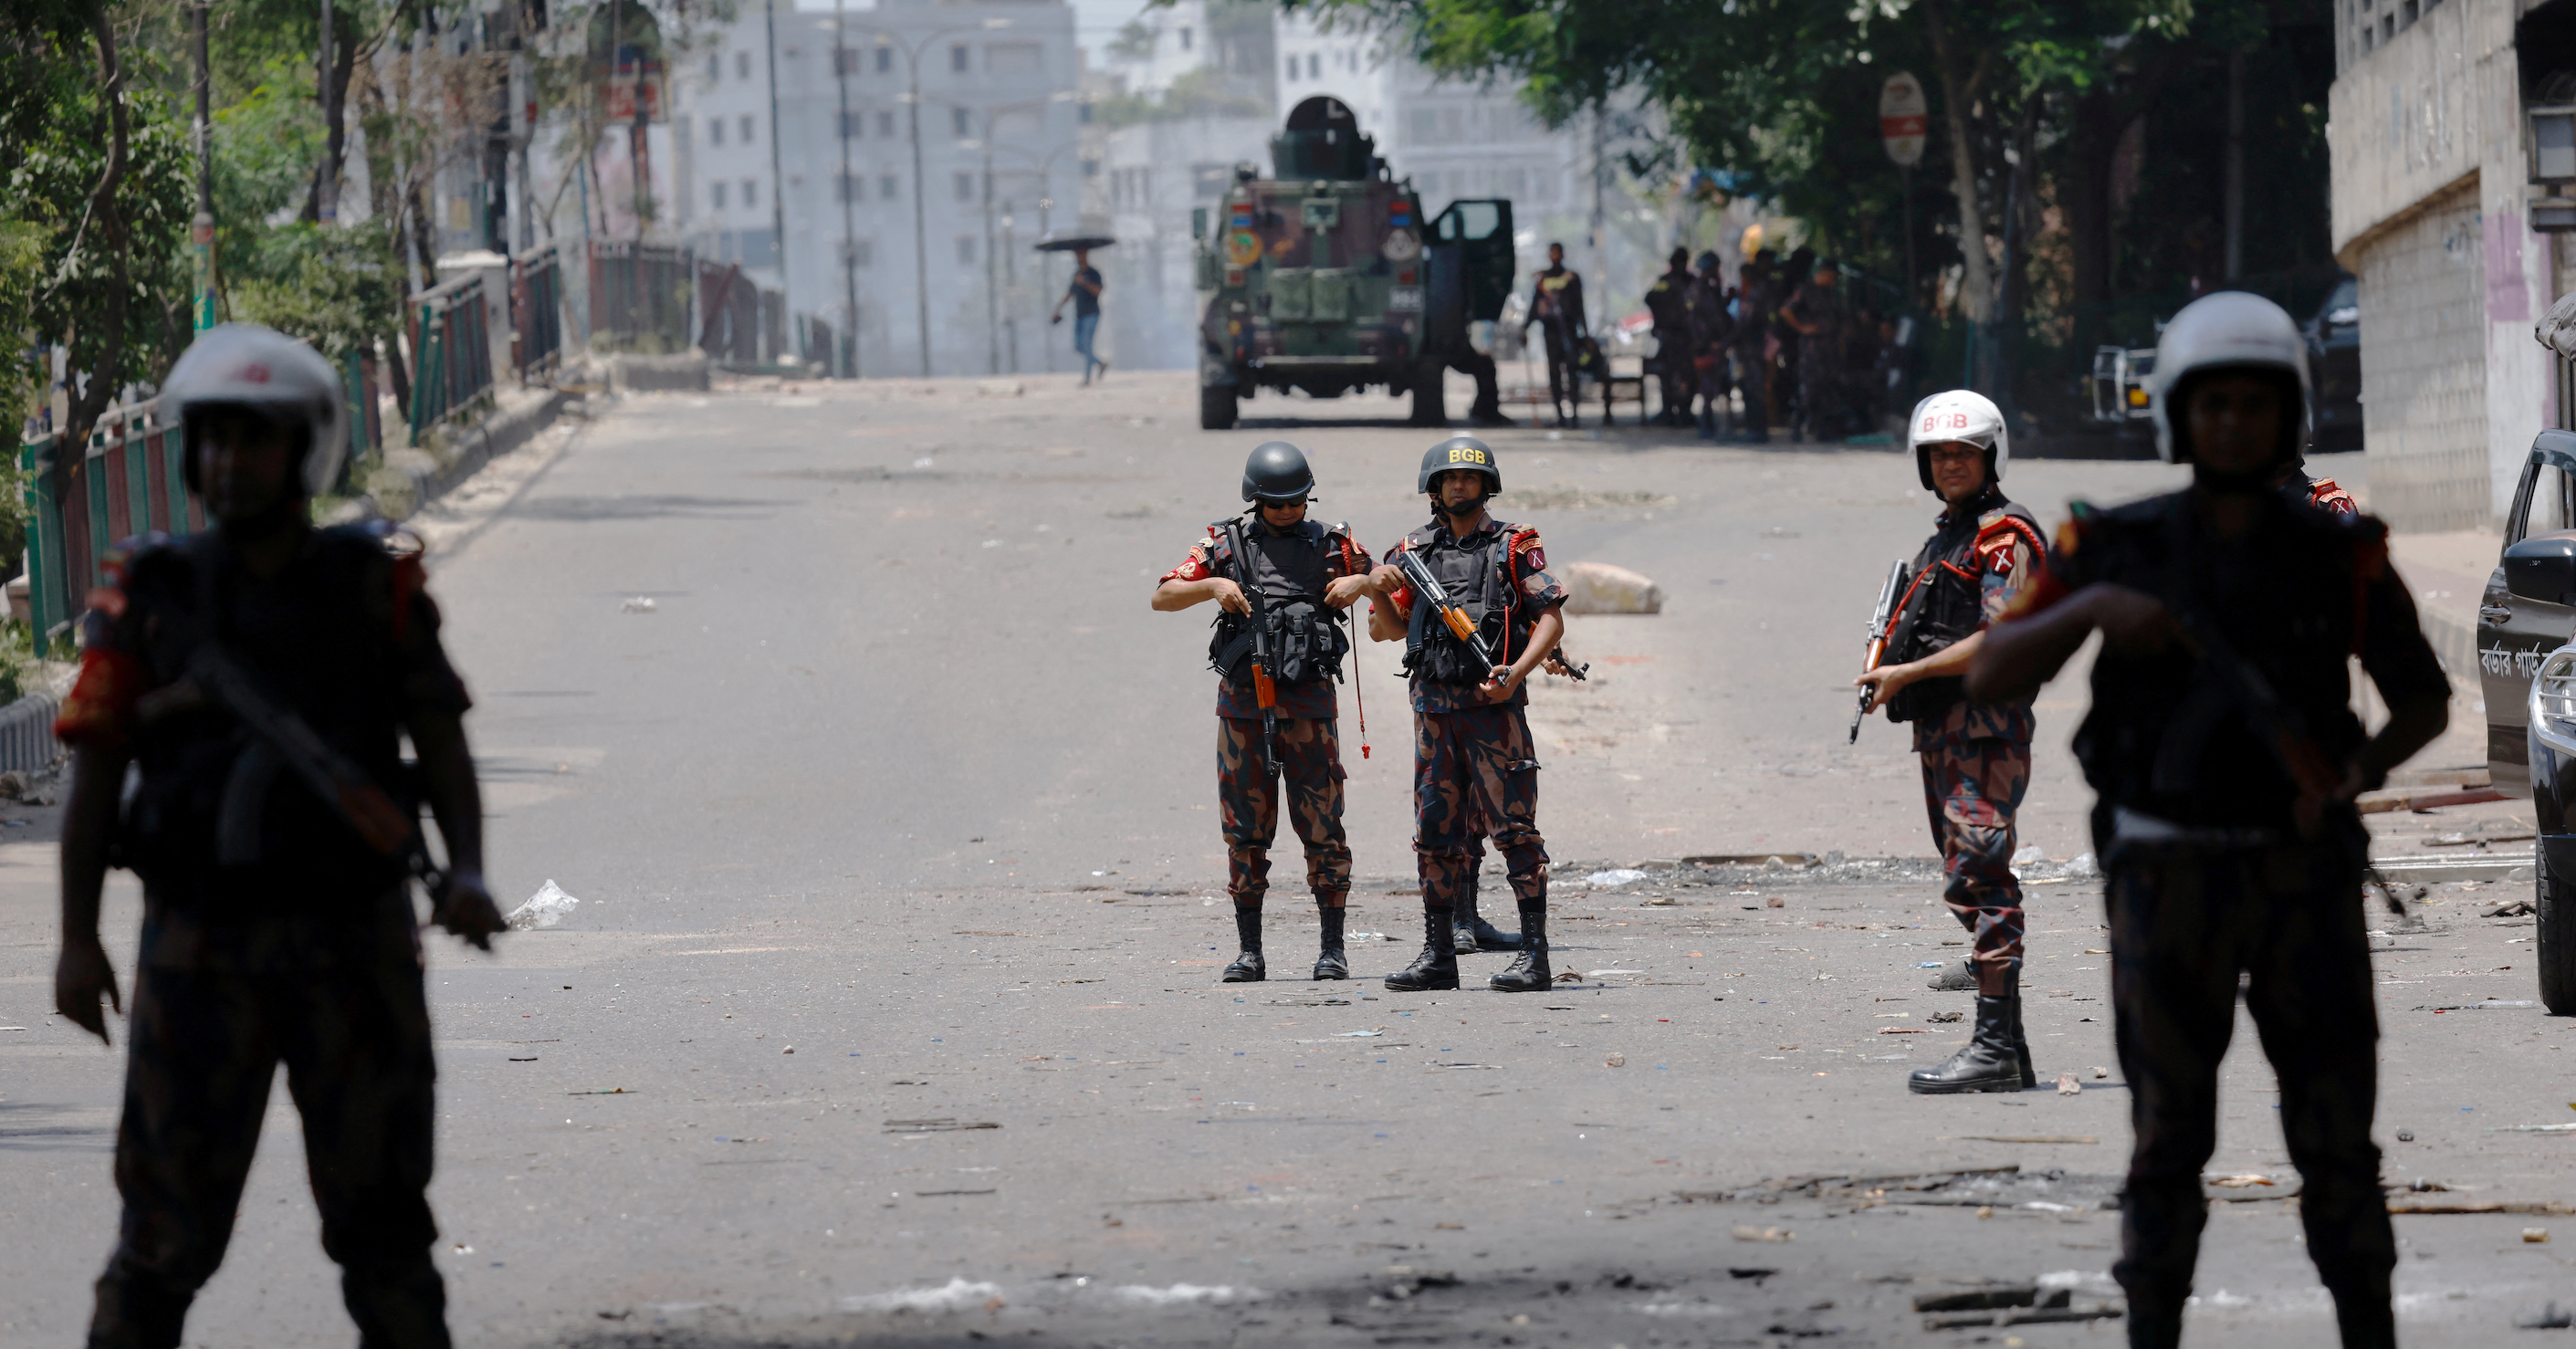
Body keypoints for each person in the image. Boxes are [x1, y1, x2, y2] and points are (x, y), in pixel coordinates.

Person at [1966, 291, 2449, 1349]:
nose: (2232, 423)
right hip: (2164, 877)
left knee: (2336, 1144)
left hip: (2299, 873)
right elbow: (1992, 667)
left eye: (2253, 403)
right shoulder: (2109, 544)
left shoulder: (2338, 549)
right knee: (2165, 1141)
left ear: (2288, 414)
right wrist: (2094, 609)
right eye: (2212, 403)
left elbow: (2423, 698)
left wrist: (2352, 774)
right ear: (2177, 415)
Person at [51, 323, 502, 1349]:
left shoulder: (374, 584)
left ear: (301, 449)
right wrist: (77, 939)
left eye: (253, 439)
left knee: (385, 1234)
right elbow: (96, 771)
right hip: (196, 951)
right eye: (213, 439)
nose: (229, 461)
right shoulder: (150, 593)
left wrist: (469, 870)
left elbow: (439, 739)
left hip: (355, 947)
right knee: (160, 1243)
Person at [1854, 390, 2047, 1094]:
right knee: (1965, 878)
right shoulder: (1948, 539)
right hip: (1943, 733)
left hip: (1985, 732)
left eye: (1964, 452)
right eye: (1938, 455)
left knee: (1983, 876)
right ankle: (2010, 1049)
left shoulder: (2004, 536)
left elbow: (2002, 636)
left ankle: (1993, 1047)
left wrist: (1907, 673)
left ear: (1991, 457)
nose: (1950, 464)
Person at [1153, 442, 1378, 981]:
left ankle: (1333, 949)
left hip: (1310, 709)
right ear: (1256, 500)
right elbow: (1163, 595)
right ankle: (1250, 951)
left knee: (1324, 828)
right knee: (1245, 830)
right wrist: (1213, 586)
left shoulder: (1333, 544)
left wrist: (1364, 581)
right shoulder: (1225, 544)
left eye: (1296, 502)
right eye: (1276, 504)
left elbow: (1395, 579)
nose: (1286, 511)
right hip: (1244, 710)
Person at [1358, 438, 1571, 993]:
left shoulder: (1513, 546)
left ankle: (1535, 956)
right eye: (1449, 478)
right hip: (1433, 712)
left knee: (1515, 830)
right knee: (1435, 832)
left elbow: (1551, 619)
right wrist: (1376, 590)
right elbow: (1386, 631)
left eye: (1469, 478)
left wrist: (1515, 674)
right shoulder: (1411, 551)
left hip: (1493, 712)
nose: (1459, 486)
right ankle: (1438, 955)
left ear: (1486, 485)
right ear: (1434, 488)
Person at [1521, 243, 1587, 429]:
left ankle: (1574, 415)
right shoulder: (1543, 279)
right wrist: (1525, 328)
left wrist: (1585, 332)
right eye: (1552, 253)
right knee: (1554, 374)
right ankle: (1560, 415)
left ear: (1562, 255)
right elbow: (1535, 305)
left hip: (1569, 332)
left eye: (1558, 253)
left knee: (1572, 372)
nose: (1555, 256)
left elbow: (1579, 306)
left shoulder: (1571, 278)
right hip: (1550, 333)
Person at [1781, 258, 1847, 441]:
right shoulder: (1805, 290)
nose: (1832, 281)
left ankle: (1822, 429)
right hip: (1812, 349)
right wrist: (1802, 327)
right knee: (1808, 390)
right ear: (1823, 273)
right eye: (1831, 276)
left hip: (1829, 348)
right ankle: (1796, 425)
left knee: (1827, 389)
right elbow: (1786, 310)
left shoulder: (1831, 293)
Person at [1644, 247, 1696, 427]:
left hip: (1684, 336)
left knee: (1686, 375)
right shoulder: (1667, 282)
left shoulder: (1689, 282)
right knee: (1667, 374)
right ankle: (1669, 412)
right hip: (1670, 336)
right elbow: (1650, 299)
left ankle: (1684, 411)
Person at [1687, 252, 1735, 441]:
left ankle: (1716, 423)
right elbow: (1708, 317)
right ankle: (1708, 422)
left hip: (1710, 343)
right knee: (1709, 384)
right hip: (1707, 344)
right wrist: (1714, 341)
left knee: (1717, 383)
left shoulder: (1707, 288)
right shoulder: (1701, 289)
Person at [1729, 254, 1775, 444]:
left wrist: (1726, 342)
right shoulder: (1749, 294)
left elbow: (1744, 324)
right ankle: (1754, 428)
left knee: (1754, 389)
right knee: (1749, 388)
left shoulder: (1755, 295)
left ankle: (1757, 429)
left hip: (1753, 350)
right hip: (1749, 350)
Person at [1052, 246, 1108, 385]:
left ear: (1086, 255)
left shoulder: (1093, 273)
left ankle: (1087, 378)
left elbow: (1098, 291)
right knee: (1078, 346)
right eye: (1077, 255)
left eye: (1081, 254)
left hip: (1092, 314)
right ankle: (1100, 363)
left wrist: (1084, 282)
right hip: (1080, 315)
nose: (1079, 257)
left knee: (1087, 345)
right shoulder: (1076, 274)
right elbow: (1070, 293)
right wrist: (1058, 309)